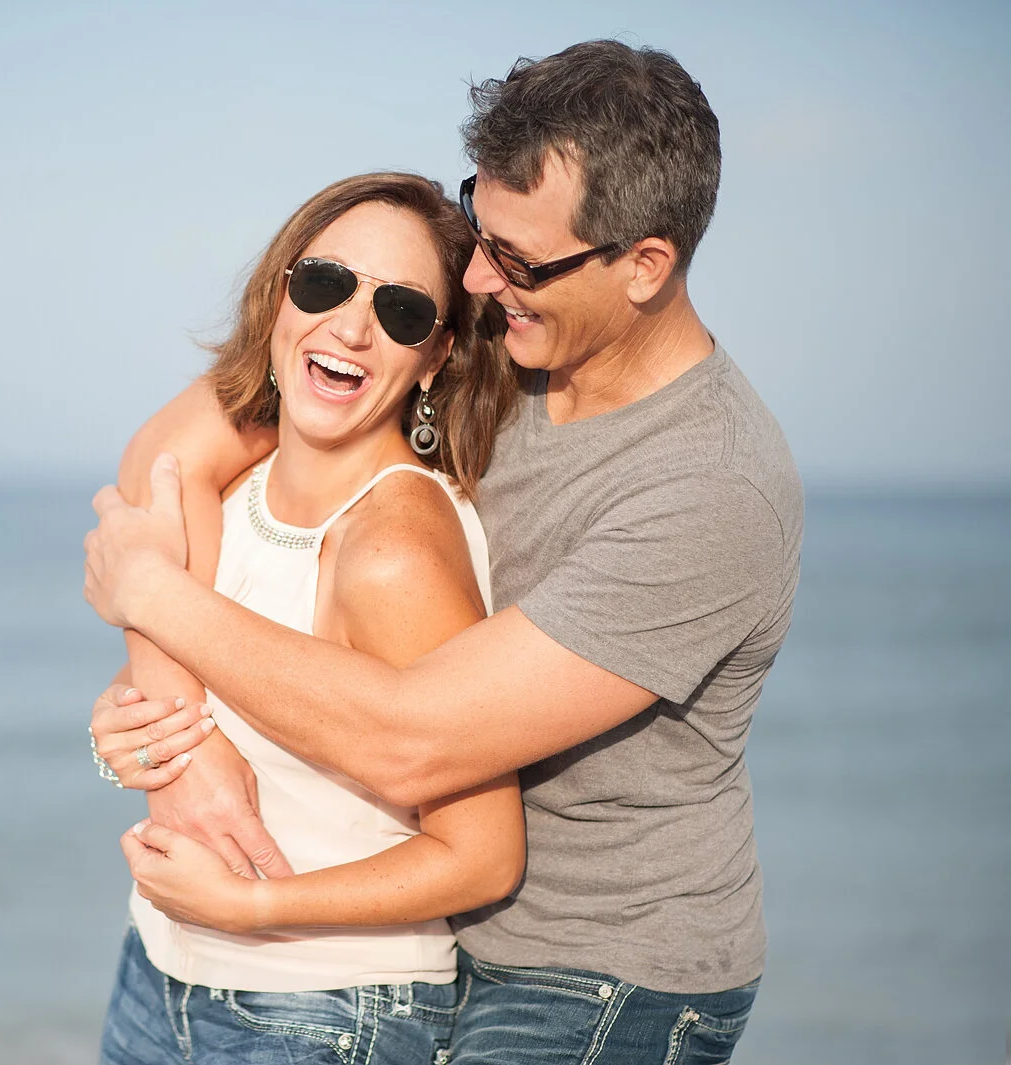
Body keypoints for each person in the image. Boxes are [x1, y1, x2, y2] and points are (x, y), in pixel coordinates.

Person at [85, 40, 803, 1064]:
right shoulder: (505, 352)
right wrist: (175, 739)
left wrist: (152, 597)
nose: (475, 277)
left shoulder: (707, 489)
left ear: (645, 265)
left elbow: (410, 742)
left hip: (599, 972)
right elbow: (173, 453)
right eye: (479, 230)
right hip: (431, 936)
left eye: (514, 261)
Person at [94, 173, 527, 1065]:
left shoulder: (392, 549)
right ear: (281, 292)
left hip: (326, 1013)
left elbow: (483, 854)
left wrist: (258, 907)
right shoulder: (229, 490)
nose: (352, 327)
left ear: (437, 354)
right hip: (159, 977)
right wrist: (138, 736)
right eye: (326, 282)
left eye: (402, 310)